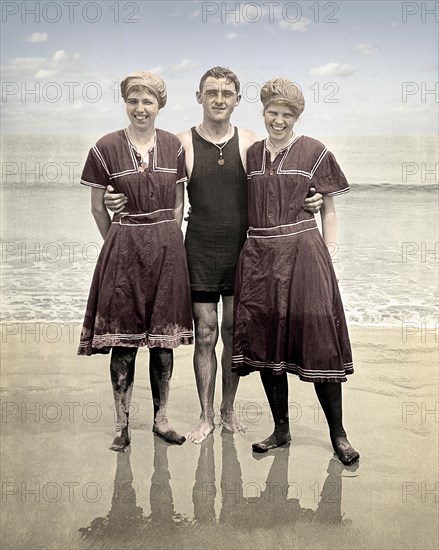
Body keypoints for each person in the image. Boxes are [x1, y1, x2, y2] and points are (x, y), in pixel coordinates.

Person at [103, 67, 323, 444]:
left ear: (238, 99)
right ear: (199, 97)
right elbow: (154, 188)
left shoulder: (252, 141)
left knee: (235, 333)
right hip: (199, 249)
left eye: (227, 93)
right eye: (212, 92)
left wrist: (312, 198)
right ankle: (205, 416)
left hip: (245, 252)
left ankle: (228, 411)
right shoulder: (179, 143)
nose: (219, 99)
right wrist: (115, 197)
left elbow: (284, 179)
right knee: (205, 333)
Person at [232, 77, 359, 465]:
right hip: (260, 258)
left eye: (287, 114)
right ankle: (281, 429)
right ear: (263, 112)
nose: (279, 120)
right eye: (273, 112)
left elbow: (330, 207)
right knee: (269, 344)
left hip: (305, 252)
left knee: (318, 340)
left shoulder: (314, 151)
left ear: (297, 116)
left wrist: (329, 254)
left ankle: (339, 435)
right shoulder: (251, 155)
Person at [77, 71, 193, 451]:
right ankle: (121, 425)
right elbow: (97, 208)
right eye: (133, 101)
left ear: (160, 105)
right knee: (123, 344)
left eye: (148, 101)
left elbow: (178, 203)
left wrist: (169, 241)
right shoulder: (104, 147)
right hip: (123, 248)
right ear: (125, 104)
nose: (140, 108)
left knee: (163, 343)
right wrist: (119, 240)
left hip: (165, 249)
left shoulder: (174, 145)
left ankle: (161, 420)